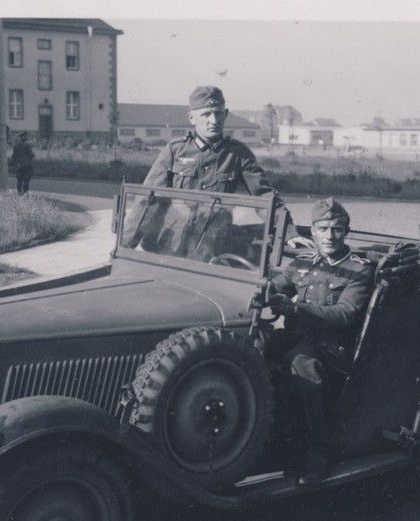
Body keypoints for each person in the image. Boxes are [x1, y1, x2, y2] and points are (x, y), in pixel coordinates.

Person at [267, 198, 374, 484]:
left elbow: (344, 314)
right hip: (296, 337)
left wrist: (294, 309)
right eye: (323, 229)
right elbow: (277, 285)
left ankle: (319, 453)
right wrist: (263, 290)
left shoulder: (358, 269)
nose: (329, 236)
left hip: (332, 348)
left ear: (346, 231)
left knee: (301, 366)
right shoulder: (303, 262)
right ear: (312, 231)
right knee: (248, 351)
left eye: (337, 229)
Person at [142, 86, 276, 197]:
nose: (214, 121)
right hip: (180, 222)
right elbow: (148, 196)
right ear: (191, 118)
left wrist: (283, 220)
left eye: (218, 113)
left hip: (218, 222)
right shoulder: (174, 151)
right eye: (206, 114)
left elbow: (265, 195)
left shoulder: (239, 154)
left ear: (225, 114)